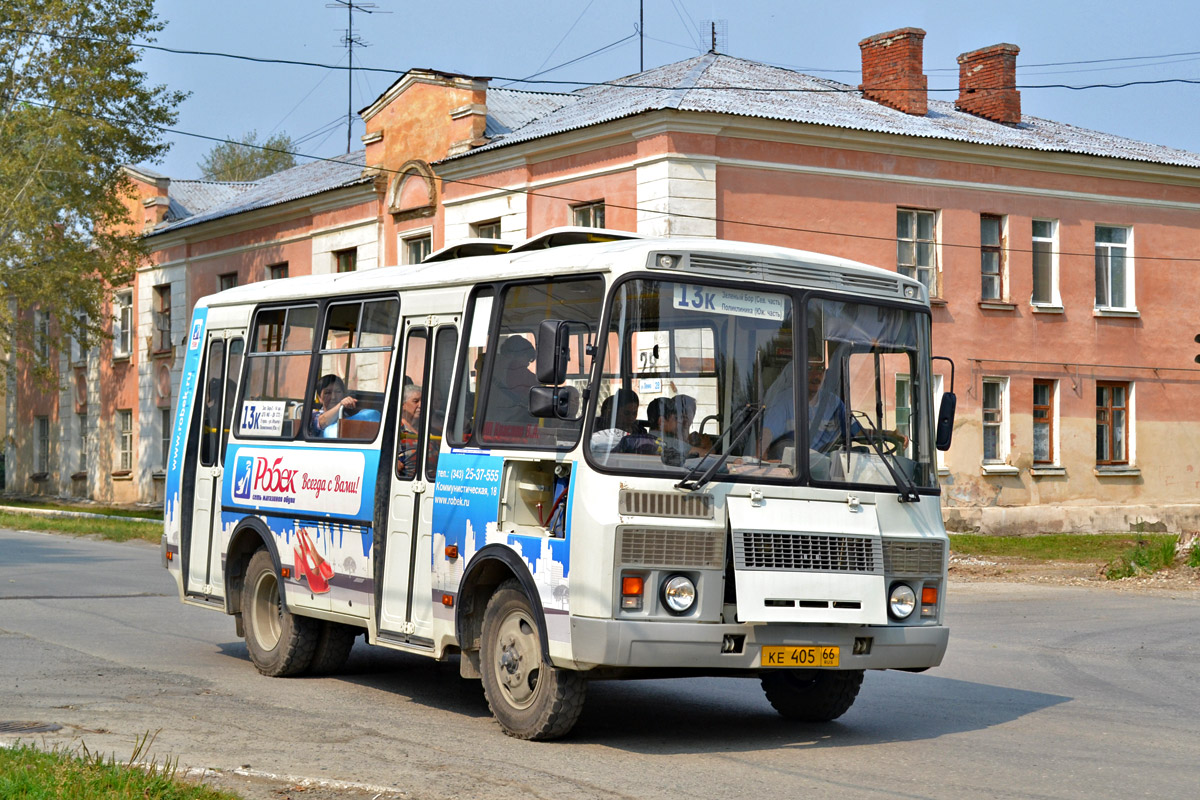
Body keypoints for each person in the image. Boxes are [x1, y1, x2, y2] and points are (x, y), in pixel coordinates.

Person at [488, 335, 538, 425]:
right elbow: (537, 388)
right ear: (515, 354)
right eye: (528, 358)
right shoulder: (515, 369)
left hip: (486, 423)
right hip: (507, 426)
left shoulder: (488, 364)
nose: (528, 364)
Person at [396, 383, 422, 478]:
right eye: (416, 401)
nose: (421, 405)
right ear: (403, 405)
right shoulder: (396, 430)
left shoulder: (428, 429)